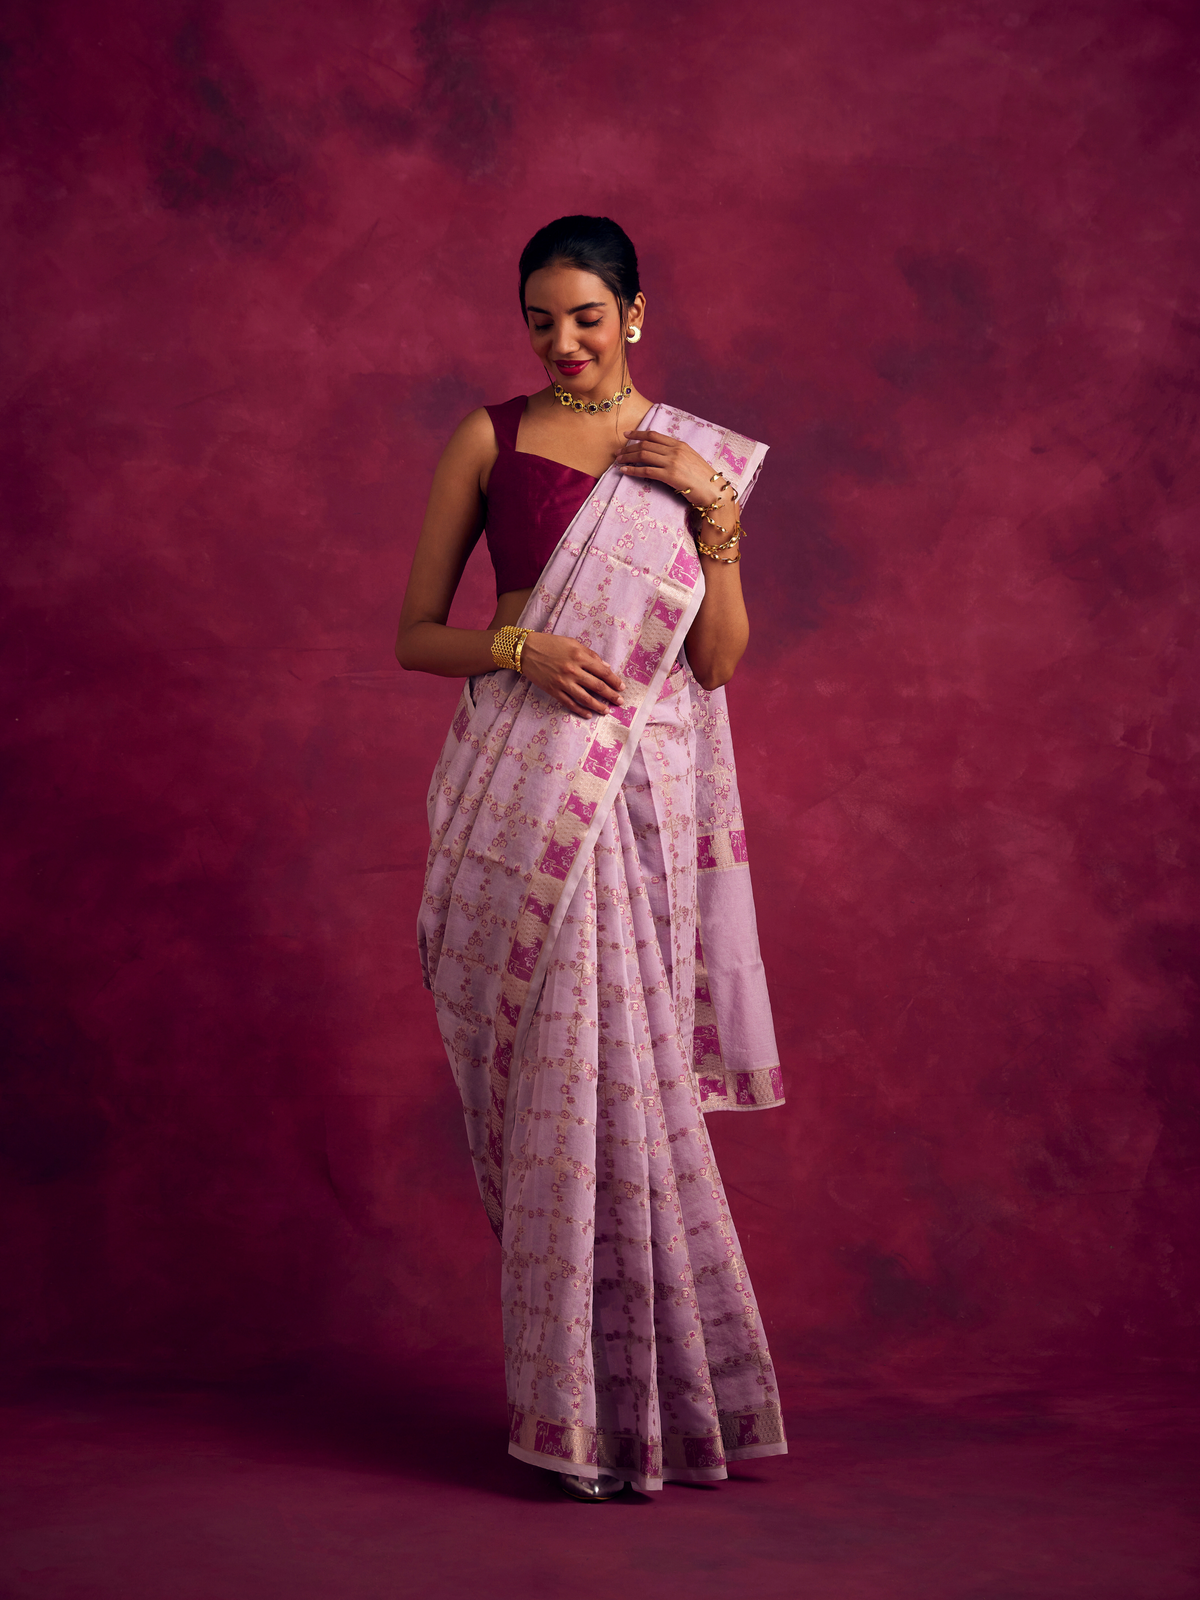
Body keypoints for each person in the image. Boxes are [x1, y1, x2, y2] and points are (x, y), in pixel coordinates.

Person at [396, 215, 786, 1501]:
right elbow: (415, 634)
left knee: (627, 1077)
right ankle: (565, 1406)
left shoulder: (689, 457)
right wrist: (517, 648)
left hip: (634, 798)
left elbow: (715, 662)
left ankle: (657, 1407)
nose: (562, 342)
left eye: (585, 317)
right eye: (540, 320)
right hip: (517, 779)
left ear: (634, 314)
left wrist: (715, 516)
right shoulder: (488, 438)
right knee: (547, 1082)